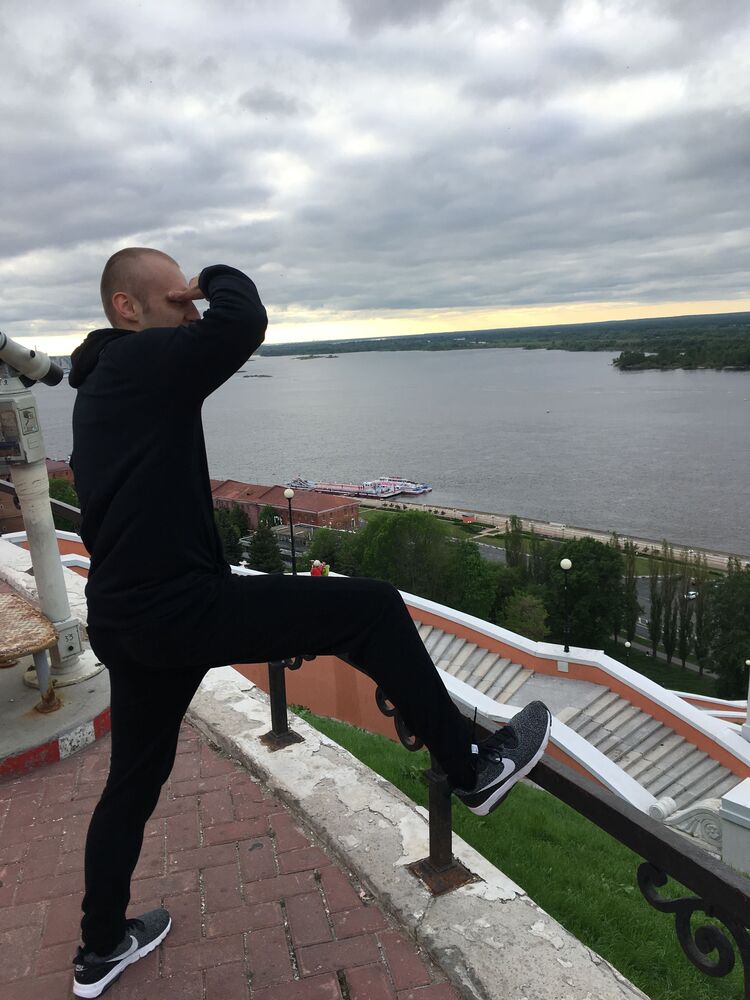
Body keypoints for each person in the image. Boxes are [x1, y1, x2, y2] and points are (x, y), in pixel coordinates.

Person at [68, 247, 552, 997]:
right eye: (176, 301)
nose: (190, 314)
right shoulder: (138, 361)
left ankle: (100, 947)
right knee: (371, 609)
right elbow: (242, 322)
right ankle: (474, 768)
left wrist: (183, 300)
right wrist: (212, 278)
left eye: (190, 301)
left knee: (132, 783)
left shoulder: (103, 379)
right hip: (179, 608)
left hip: (126, 617)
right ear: (126, 308)